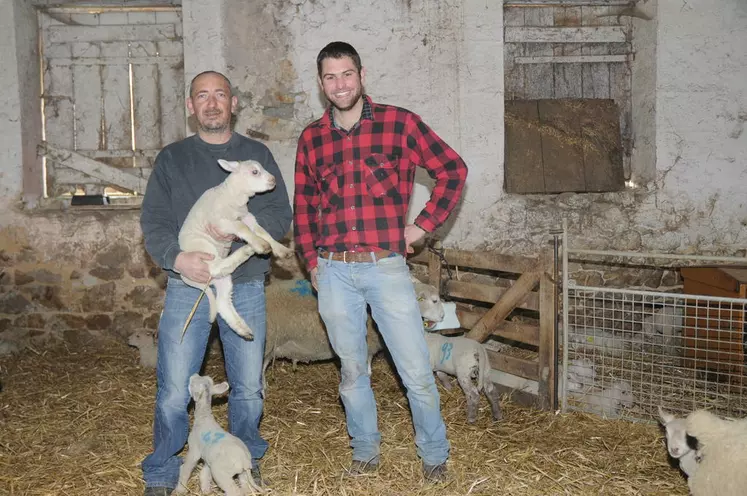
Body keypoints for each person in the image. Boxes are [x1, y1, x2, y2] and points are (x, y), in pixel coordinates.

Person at [293, 42, 468, 483]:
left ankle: (433, 455)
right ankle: (365, 451)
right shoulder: (312, 138)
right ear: (320, 83)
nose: (340, 84)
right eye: (330, 77)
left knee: (415, 368)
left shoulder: (400, 124)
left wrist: (422, 226)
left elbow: (453, 169)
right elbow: (304, 207)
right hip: (334, 270)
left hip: (386, 266)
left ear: (361, 74)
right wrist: (312, 262)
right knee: (352, 371)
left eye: (347, 74)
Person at [139, 70, 292, 496]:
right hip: (187, 282)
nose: (211, 103)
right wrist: (180, 258)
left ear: (233, 103)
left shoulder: (255, 154)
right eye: (201, 96)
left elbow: (281, 214)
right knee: (174, 386)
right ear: (191, 106)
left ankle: (244, 461)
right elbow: (153, 222)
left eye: (219, 95)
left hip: (244, 283)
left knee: (247, 387)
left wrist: (243, 227)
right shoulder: (172, 159)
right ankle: (164, 468)